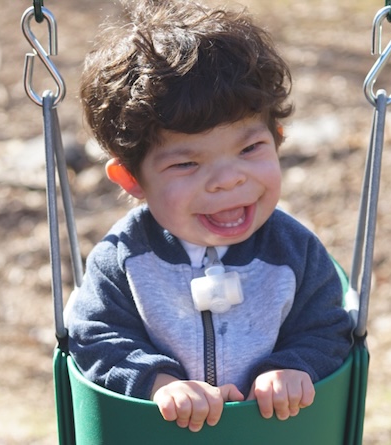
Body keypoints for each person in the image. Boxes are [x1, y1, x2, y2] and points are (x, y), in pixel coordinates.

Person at [66, 0, 353, 433]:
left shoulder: (294, 251)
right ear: (131, 178)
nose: (226, 181)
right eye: (187, 164)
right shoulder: (122, 259)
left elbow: (327, 326)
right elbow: (95, 336)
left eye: (249, 149)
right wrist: (157, 383)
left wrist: (293, 368)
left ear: (277, 139)